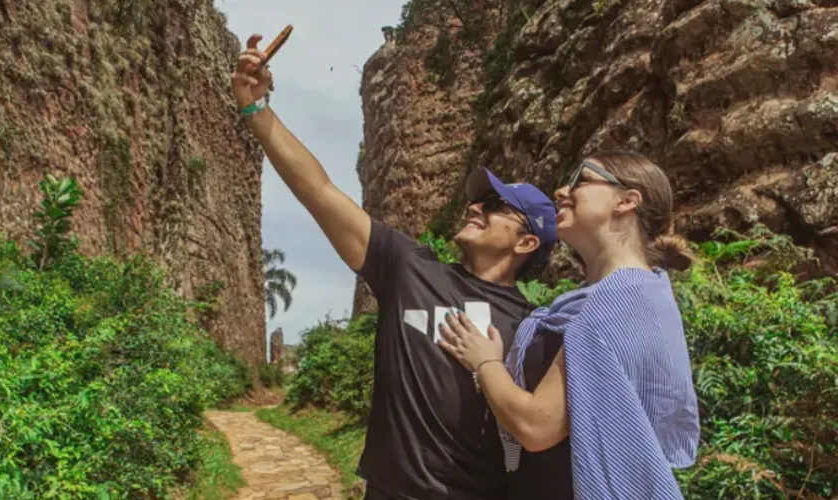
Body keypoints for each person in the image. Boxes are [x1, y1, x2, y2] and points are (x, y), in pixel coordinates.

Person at [230, 34, 560, 500]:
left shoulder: (534, 329)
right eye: (477, 201)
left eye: (495, 207)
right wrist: (255, 109)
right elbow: (320, 192)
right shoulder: (408, 268)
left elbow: (540, 436)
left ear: (527, 242)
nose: (475, 208)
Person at [437, 151, 701, 499]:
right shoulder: (629, 296)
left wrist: (485, 362)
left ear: (626, 201)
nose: (561, 191)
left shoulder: (620, 302)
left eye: (582, 179)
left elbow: (536, 426)